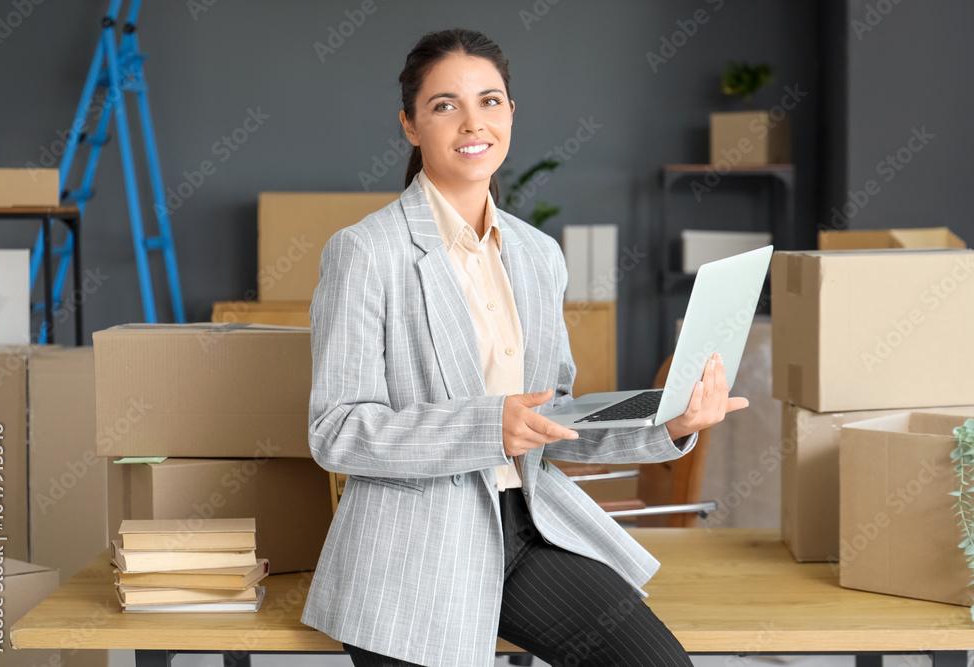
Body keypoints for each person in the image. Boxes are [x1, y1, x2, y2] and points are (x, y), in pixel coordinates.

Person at [301, 27, 748, 667]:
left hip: (528, 527)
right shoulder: (367, 252)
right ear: (410, 125)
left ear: (511, 113)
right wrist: (490, 427)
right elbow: (336, 432)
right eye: (444, 105)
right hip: (414, 551)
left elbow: (553, 419)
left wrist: (672, 423)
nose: (472, 122)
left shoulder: (537, 255)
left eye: (489, 101)